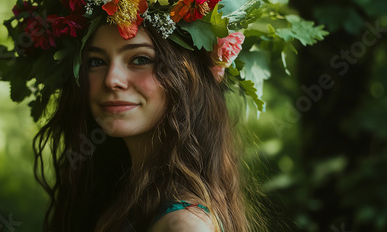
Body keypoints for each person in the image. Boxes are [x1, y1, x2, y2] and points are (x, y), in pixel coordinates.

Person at [32, 16, 262, 231]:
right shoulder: (115, 191)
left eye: (140, 59)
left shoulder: (183, 225)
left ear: (187, 77)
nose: (112, 79)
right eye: (96, 61)